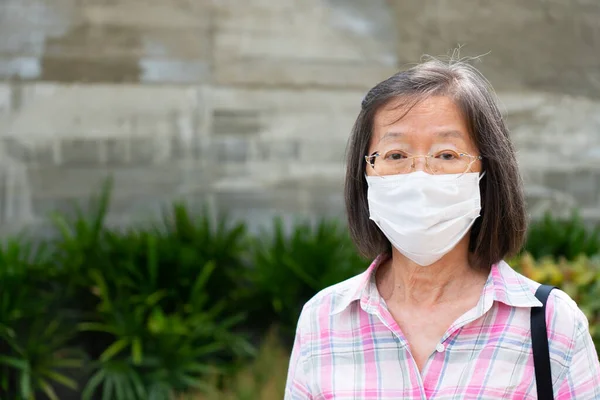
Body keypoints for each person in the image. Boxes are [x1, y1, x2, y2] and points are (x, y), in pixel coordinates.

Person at [284, 56, 600, 399]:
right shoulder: (323, 320)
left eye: (447, 155)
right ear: (365, 175)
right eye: (395, 155)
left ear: (486, 173)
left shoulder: (552, 325)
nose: (420, 176)